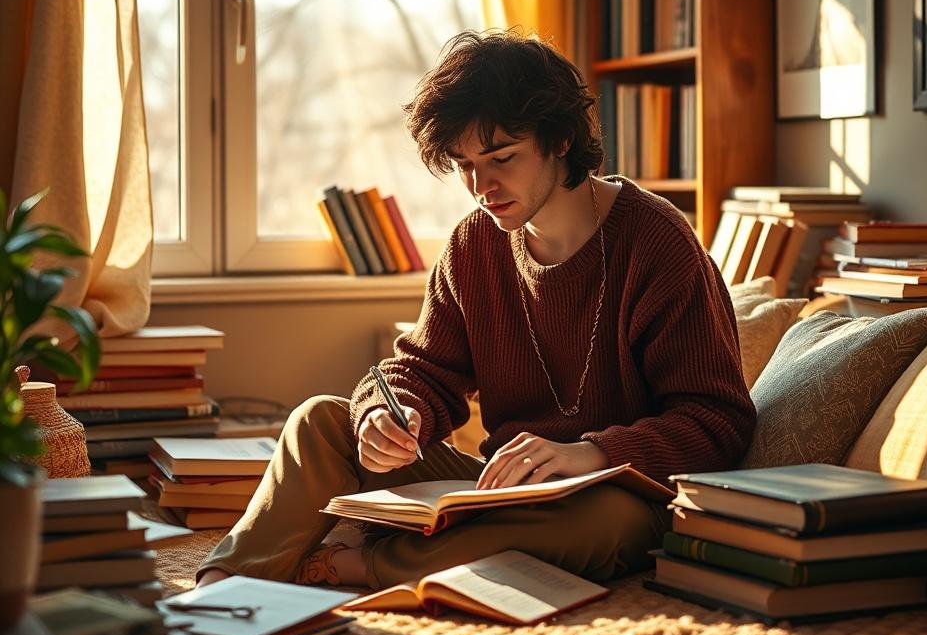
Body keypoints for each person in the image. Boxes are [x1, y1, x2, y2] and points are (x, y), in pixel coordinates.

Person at [197, 30, 755, 590]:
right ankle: (222, 580)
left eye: (502, 158)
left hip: (613, 494)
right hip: (497, 489)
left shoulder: (657, 241)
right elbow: (421, 370)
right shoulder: (474, 244)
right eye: (463, 164)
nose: (480, 186)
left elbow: (718, 422)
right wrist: (389, 416)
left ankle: (355, 565)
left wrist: (591, 453)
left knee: (605, 525)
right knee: (320, 419)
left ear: (560, 139)